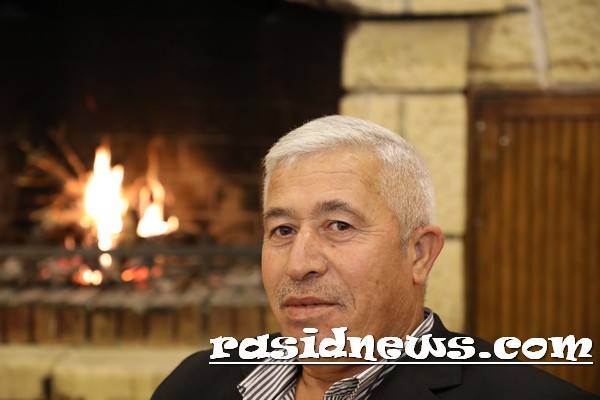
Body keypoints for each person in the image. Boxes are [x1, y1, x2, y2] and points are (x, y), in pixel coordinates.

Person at [152, 115, 595, 399]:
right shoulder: (195, 383)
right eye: (282, 230)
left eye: (339, 226)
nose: (299, 264)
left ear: (419, 254)